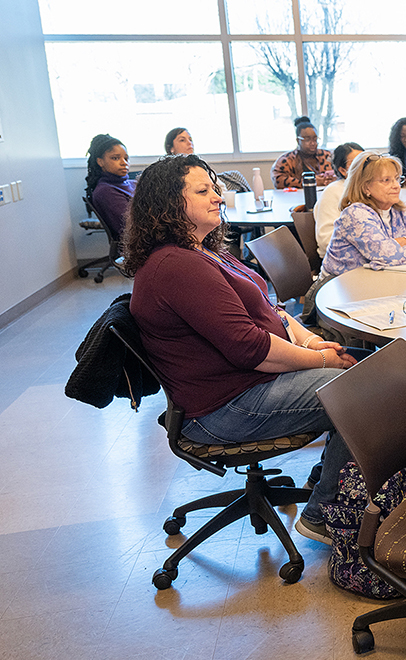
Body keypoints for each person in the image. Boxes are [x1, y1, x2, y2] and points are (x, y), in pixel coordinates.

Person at [122, 154, 359, 545]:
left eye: (215, 188)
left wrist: (313, 341)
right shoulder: (176, 266)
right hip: (225, 407)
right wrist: (321, 360)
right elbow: (252, 350)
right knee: (360, 393)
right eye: (204, 191)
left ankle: (327, 482)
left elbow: (272, 310)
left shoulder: (201, 250)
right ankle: (322, 514)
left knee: (362, 372)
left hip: (245, 388)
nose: (218, 196)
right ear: (168, 204)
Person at [321, 151, 406, 276]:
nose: (396, 186)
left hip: (383, 281)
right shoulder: (355, 214)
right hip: (337, 287)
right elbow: (388, 255)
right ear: (366, 187)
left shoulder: (403, 210)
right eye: (386, 180)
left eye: (397, 179)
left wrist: (405, 241)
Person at [313, 142, 365, 260]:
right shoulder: (333, 192)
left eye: (366, 163)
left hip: (369, 258)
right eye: (356, 164)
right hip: (339, 262)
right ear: (343, 170)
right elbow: (326, 240)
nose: (364, 168)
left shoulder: (370, 189)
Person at [85, 133, 136, 238]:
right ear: (100, 161)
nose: (124, 163)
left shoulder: (133, 183)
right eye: (115, 158)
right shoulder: (105, 191)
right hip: (139, 244)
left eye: (126, 158)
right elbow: (133, 226)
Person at [271, 116, 337, 189]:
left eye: (315, 139)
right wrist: (309, 182)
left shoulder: (327, 156)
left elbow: (343, 173)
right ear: (298, 140)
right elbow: (278, 181)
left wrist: (333, 178)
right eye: (308, 140)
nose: (313, 143)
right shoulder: (286, 160)